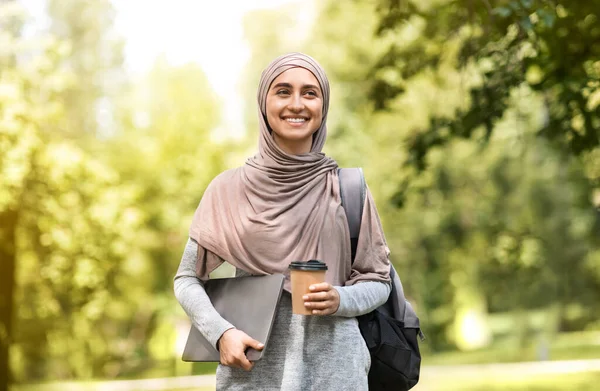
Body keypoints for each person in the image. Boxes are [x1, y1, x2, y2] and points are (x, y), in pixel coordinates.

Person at [174, 52, 392, 390]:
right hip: (254, 375)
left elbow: (378, 280)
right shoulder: (228, 190)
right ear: (264, 103)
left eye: (309, 93)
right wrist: (221, 334)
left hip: (335, 374)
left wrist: (340, 299)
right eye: (283, 91)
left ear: (323, 105)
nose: (296, 104)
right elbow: (187, 280)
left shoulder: (347, 189)